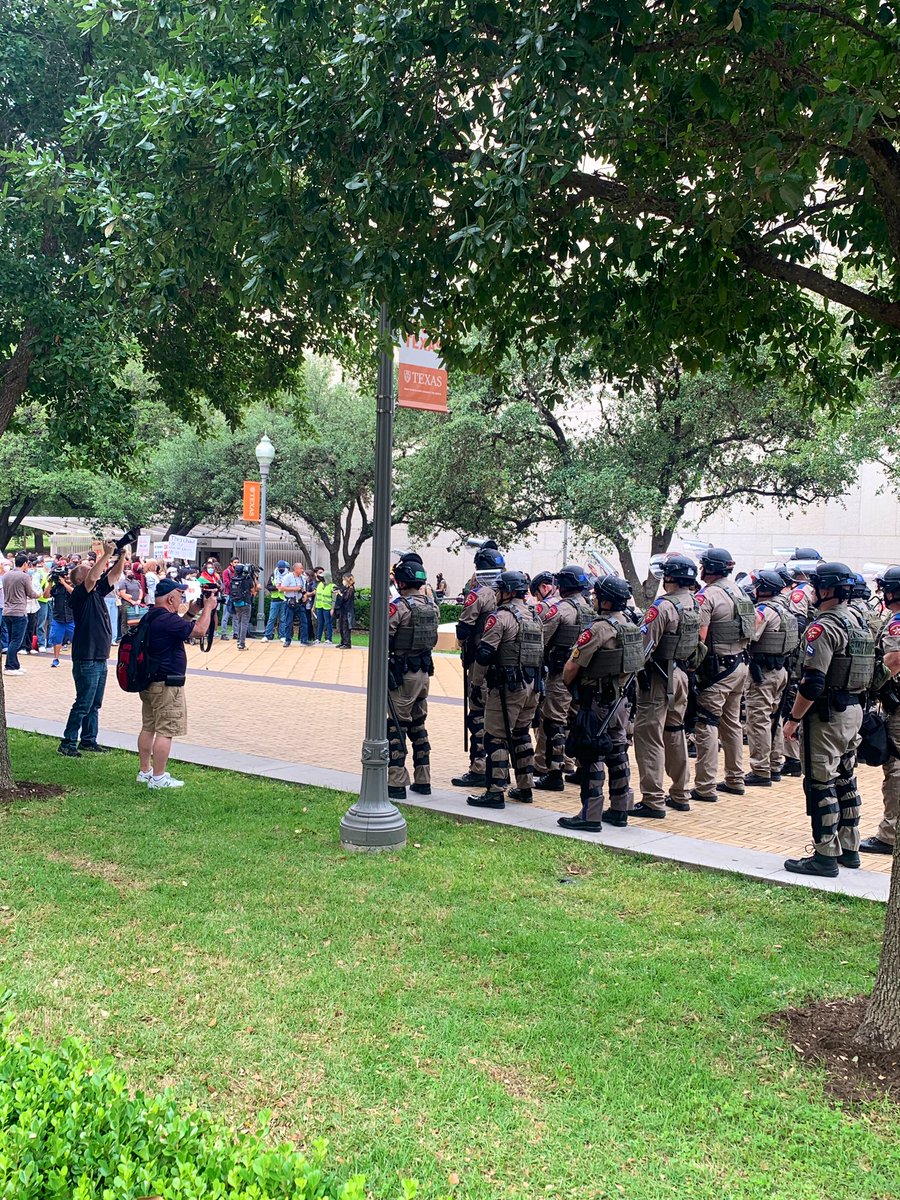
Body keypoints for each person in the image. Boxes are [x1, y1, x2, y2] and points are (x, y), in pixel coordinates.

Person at [781, 561, 874, 876]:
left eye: (815, 586)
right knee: (846, 778)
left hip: (827, 715)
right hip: (854, 711)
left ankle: (824, 856)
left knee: (821, 783)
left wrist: (793, 720)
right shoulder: (859, 621)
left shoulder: (824, 626)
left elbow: (813, 682)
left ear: (826, 590)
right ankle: (849, 849)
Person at [558, 574, 642, 830]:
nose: (593, 599)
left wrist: (568, 684)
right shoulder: (630, 625)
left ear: (605, 601)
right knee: (618, 751)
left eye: (596, 596)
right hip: (620, 701)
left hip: (595, 702)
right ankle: (620, 808)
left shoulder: (598, 629)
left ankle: (590, 814)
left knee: (591, 751)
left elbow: (572, 667)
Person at [631, 554, 702, 819]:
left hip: (660, 678)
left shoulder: (662, 607)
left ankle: (652, 799)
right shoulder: (695, 603)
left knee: (649, 734)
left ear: (669, 578)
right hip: (682, 675)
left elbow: (643, 648)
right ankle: (681, 793)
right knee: (675, 731)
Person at [467, 570, 544, 809]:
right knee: (521, 734)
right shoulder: (534, 616)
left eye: (500, 590)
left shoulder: (501, 617)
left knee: (496, 737)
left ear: (509, 592)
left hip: (507, 688)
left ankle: (495, 791)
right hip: (532, 686)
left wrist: (476, 684)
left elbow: (485, 653)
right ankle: (525, 787)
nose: (497, 594)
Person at [136, 578, 218, 788]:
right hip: (167, 685)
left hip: (150, 682)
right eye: (180, 595)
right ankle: (159, 778)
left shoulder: (152, 616)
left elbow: (179, 629)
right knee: (166, 729)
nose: (182, 598)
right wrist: (208, 607)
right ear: (171, 598)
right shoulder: (166, 620)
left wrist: (191, 612)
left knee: (149, 727)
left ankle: (145, 771)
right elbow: (199, 631)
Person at [692, 547, 754, 803]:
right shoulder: (740, 591)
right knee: (732, 723)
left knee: (707, 722)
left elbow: (700, 637)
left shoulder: (707, 596)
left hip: (717, 668)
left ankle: (705, 786)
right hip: (740, 664)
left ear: (710, 568)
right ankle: (735, 778)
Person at [58, 541, 127, 756]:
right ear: (80, 579)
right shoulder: (80, 594)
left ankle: (88, 739)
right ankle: (67, 743)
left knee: (94, 703)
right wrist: (105, 555)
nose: (95, 575)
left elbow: (113, 576)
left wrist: (121, 554)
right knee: (83, 702)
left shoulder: (97, 593)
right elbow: (92, 578)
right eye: (90, 572)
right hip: (86, 656)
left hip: (98, 655)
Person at [533, 565, 593, 791]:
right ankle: (580, 767)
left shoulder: (558, 610)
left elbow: (541, 638)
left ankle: (554, 772)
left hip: (560, 674)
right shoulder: (590, 610)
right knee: (578, 720)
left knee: (554, 721)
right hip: (583, 674)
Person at [387, 555, 439, 799]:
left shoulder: (399, 607)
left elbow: (385, 636)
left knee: (396, 726)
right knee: (418, 726)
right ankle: (423, 778)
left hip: (403, 675)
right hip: (423, 674)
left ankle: (396, 782)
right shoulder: (432, 606)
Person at [744, 569, 799, 787]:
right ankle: (775, 764)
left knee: (758, 719)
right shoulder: (786, 609)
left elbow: (750, 635)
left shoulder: (763, 610)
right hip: (781, 671)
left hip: (763, 673)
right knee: (774, 719)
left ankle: (760, 769)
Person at [861, 566, 900, 857]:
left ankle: (890, 835)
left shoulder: (898, 623)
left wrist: (871, 686)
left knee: (896, 768)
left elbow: (894, 660)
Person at [780, 547, 822, 776]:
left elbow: (797, 626)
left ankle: (792, 758)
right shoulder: (816, 591)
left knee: (792, 703)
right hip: (812, 654)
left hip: (800, 657)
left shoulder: (800, 592)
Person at [2, 552, 41, 674]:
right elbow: (30, 593)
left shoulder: (6, 575)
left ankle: (15, 664)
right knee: (16, 641)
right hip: (19, 612)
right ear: (25, 564)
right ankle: (9, 666)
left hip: (6, 611)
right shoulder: (24, 577)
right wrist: (39, 594)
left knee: (11, 639)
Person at [43, 563, 76, 667]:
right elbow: (45, 595)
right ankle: (55, 659)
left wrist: (64, 582)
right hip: (58, 618)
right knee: (56, 639)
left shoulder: (73, 585)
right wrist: (50, 583)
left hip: (71, 618)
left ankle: (77, 658)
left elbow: (74, 593)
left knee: (76, 639)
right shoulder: (56, 588)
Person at [228, 563, 257, 649]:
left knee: (239, 621)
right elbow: (253, 590)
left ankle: (238, 641)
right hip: (246, 603)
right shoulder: (247, 579)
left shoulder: (233, 579)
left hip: (236, 603)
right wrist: (254, 579)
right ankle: (242, 643)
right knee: (244, 623)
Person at [264, 560, 291, 642]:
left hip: (284, 599)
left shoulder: (288, 576)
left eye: (282, 568)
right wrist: (276, 588)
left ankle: (282, 635)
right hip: (275, 599)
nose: (281, 570)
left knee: (283, 619)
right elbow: (268, 586)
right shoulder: (273, 575)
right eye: (280, 568)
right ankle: (267, 635)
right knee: (272, 618)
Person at [219, 556, 241, 639]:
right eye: (235, 562)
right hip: (228, 594)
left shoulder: (239, 572)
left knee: (235, 615)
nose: (236, 564)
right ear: (231, 563)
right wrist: (235, 585)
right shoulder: (226, 572)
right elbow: (226, 583)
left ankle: (235, 633)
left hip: (236, 595)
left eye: (237, 562)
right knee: (226, 615)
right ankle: (223, 633)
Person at [314, 570, 336, 643]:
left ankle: (329, 639)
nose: (321, 579)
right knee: (320, 622)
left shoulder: (332, 586)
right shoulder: (319, 585)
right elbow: (316, 596)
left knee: (328, 623)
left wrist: (332, 608)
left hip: (327, 607)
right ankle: (318, 638)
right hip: (319, 606)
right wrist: (314, 606)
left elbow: (334, 599)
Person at [335, 574, 356, 648]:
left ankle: (347, 643)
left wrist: (340, 594)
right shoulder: (345, 588)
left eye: (344, 580)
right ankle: (343, 641)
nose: (343, 581)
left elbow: (346, 598)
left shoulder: (351, 588)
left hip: (347, 611)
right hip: (342, 610)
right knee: (341, 626)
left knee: (345, 627)